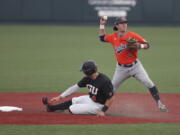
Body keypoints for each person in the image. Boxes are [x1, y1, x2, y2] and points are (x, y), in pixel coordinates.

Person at [98, 17, 168, 112]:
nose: (124, 24)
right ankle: (100, 106)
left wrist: (140, 46)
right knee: (111, 89)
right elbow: (102, 38)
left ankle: (159, 103)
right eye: (122, 23)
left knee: (148, 82)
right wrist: (102, 24)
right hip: (121, 69)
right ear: (117, 25)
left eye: (125, 23)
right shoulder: (113, 37)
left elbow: (147, 44)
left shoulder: (132, 35)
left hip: (135, 67)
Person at [42, 61, 114, 116]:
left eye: (84, 71)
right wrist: (60, 97)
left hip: (99, 106)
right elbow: (74, 88)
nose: (83, 72)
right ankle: (51, 108)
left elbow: (111, 98)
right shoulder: (87, 78)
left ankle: (66, 111)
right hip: (91, 99)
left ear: (88, 72)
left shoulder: (104, 81)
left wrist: (103, 111)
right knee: (74, 100)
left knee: (72, 108)